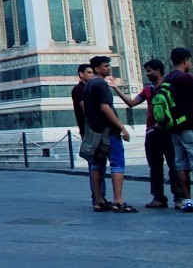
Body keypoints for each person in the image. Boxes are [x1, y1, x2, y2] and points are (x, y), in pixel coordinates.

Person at [111, 59, 182, 209]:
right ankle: (158, 197)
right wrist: (116, 88)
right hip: (151, 131)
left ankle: (179, 197)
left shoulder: (169, 88)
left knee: (173, 165)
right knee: (155, 166)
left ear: (157, 70)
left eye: (149, 71)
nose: (147, 74)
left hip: (168, 131)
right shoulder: (148, 90)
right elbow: (131, 103)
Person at [83, 55, 136, 212]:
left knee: (97, 165)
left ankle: (98, 200)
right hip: (109, 132)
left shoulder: (88, 85)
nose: (109, 68)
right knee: (117, 164)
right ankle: (118, 200)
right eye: (106, 66)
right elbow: (105, 108)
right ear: (98, 69)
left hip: (95, 132)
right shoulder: (101, 85)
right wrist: (123, 128)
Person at [162, 47, 193, 212]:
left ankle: (188, 200)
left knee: (181, 166)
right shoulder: (186, 78)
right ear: (186, 60)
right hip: (189, 126)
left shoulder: (167, 78)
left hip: (174, 128)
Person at [71, 63, 105, 205]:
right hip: (89, 131)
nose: (92, 75)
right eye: (89, 72)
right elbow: (86, 108)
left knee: (99, 163)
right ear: (81, 74)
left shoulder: (90, 88)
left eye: (92, 72)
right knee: (94, 164)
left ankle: (100, 197)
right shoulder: (79, 89)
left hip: (96, 129)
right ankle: (97, 198)